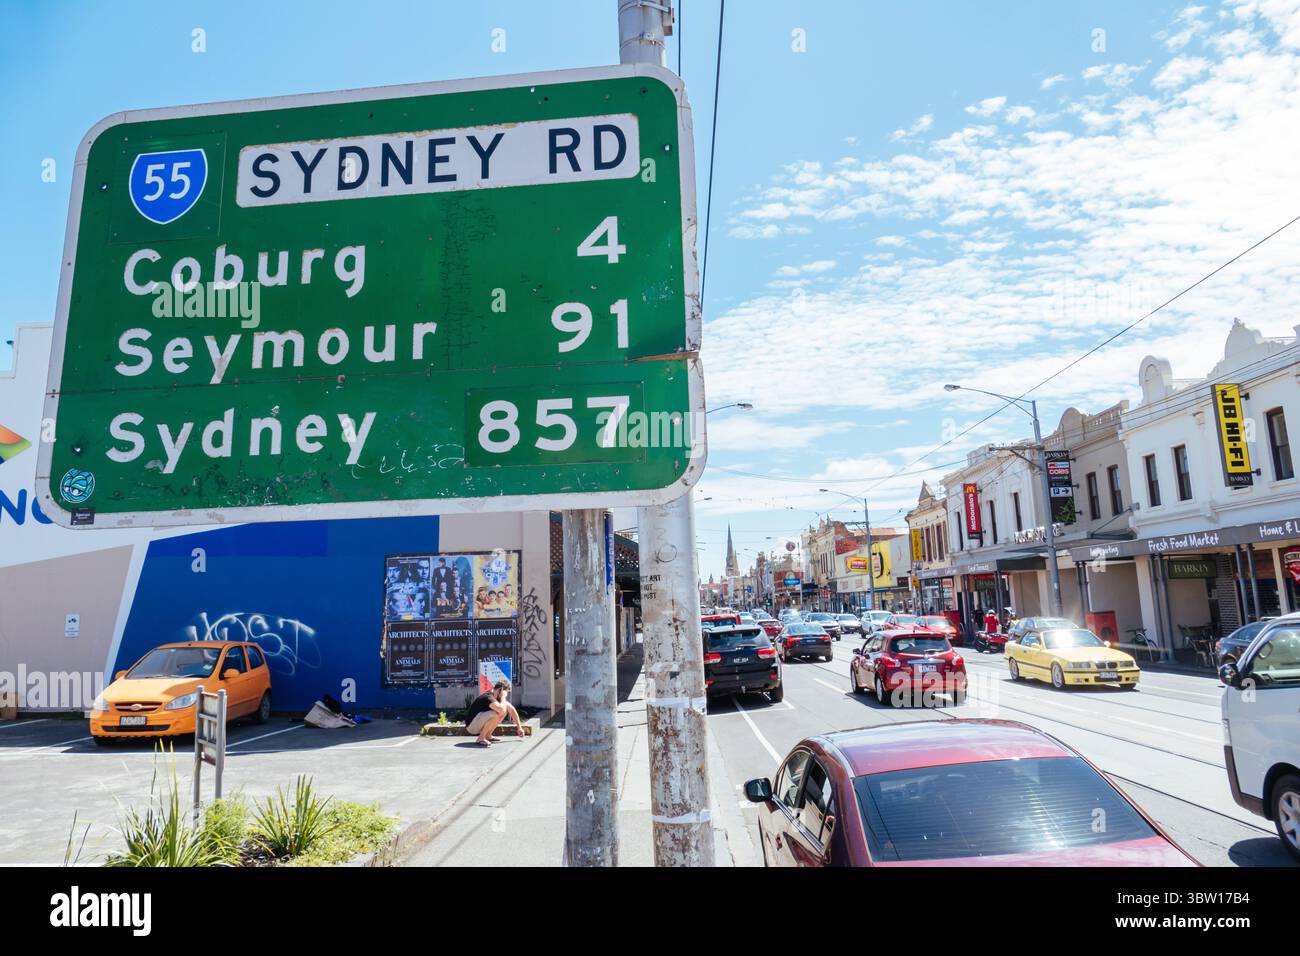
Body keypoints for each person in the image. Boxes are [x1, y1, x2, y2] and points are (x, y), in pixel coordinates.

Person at [464, 680, 524, 746]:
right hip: (471, 726)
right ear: (499, 690)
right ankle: (481, 738)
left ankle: (488, 736)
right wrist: (503, 697)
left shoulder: (497, 698)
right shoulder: (488, 697)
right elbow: (502, 710)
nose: (505, 695)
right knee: (495, 714)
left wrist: (519, 727)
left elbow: (512, 710)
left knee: (502, 712)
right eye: (505, 693)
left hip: (478, 723)